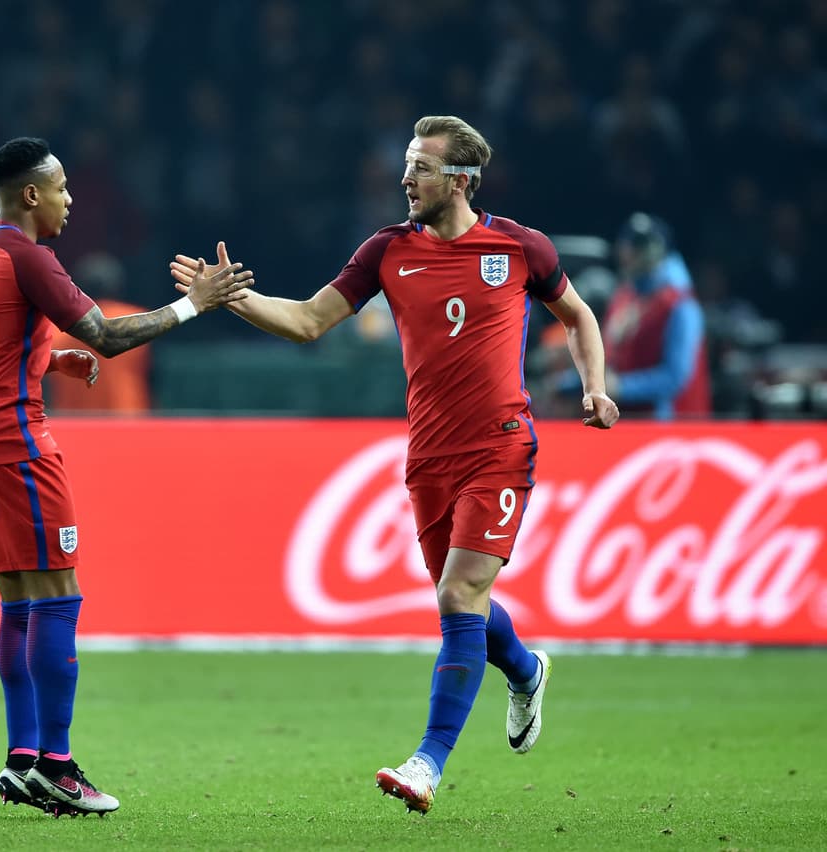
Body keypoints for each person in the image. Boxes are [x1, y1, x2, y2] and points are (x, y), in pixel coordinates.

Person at [171, 115, 619, 814]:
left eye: (421, 167)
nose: (405, 178)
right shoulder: (386, 250)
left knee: (458, 595)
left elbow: (579, 316)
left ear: (461, 180)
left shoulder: (519, 247)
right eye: (407, 165)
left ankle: (427, 763)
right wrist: (232, 295)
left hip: (501, 445)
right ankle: (526, 670)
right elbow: (308, 322)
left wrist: (595, 387)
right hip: (428, 456)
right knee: (459, 597)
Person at [0, 137, 251, 817]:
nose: (69, 199)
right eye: (61, 188)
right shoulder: (29, 255)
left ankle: (22, 760)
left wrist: (47, 359)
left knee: (18, 601)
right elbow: (108, 336)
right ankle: (56, 768)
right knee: (58, 596)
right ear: (31, 194)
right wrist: (194, 304)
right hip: (18, 443)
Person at [600, 211, 710, 418]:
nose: (627, 253)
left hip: (670, 425)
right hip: (620, 420)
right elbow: (610, 359)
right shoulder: (624, 296)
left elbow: (674, 377)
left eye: (637, 246)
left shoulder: (680, 304)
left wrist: (620, 387)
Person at [44, 252, 153, 414]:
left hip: (72, 421)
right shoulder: (139, 320)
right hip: (128, 419)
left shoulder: (56, 330)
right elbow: (155, 376)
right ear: (117, 287)